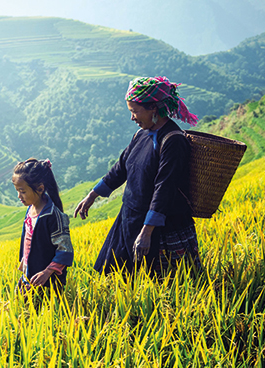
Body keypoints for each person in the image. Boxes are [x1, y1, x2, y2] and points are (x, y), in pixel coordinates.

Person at [74, 76, 203, 275]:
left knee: (162, 283)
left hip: (160, 226)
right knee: (114, 277)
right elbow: (121, 168)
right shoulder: (141, 134)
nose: (132, 117)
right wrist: (92, 196)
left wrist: (147, 231)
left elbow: (164, 188)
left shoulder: (173, 140)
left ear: (154, 108)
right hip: (129, 218)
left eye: (135, 111)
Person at [12, 158, 74, 291]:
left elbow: (65, 249)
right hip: (29, 277)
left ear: (40, 189)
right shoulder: (31, 210)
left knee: (44, 310)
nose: (19, 196)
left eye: (22, 191)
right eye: (17, 191)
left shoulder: (53, 216)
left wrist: (47, 272)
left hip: (47, 283)